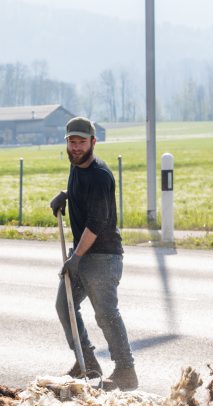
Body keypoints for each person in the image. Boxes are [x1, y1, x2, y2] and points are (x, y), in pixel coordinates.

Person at [50, 116, 137, 390]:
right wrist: (66, 194)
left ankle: (126, 371)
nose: (76, 147)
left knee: (106, 314)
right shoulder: (76, 166)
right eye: (72, 142)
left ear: (93, 142)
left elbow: (96, 223)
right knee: (65, 305)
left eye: (81, 142)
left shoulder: (100, 176)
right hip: (84, 254)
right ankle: (86, 363)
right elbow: (82, 194)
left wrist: (76, 258)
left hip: (103, 257)